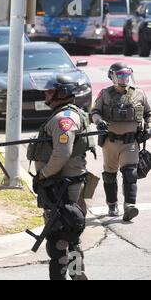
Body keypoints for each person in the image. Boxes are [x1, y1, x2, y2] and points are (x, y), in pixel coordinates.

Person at [28, 75, 94, 280]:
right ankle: (78, 275)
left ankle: (70, 275)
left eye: (50, 91)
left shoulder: (63, 119)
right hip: (68, 184)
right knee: (71, 235)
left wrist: (43, 174)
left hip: (62, 187)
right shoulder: (71, 114)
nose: (46, 94)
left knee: (58, 240)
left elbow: (62, 154)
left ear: (62, 93)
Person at [91, 62, 151, 221]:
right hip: (110, 142)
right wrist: (98, 121)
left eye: (126, 75)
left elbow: (148, 113)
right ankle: (112, 204)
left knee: (130, 173)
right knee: (110, 175)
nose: (124, 79)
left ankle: (129, 206)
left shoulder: (139, 94)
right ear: (112, 76)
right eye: (121, 75)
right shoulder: (104, 94)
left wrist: (149, 127)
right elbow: (94, 112)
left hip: (130, 142)